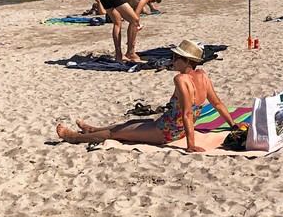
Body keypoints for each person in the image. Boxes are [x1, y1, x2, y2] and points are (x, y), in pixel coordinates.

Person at [56, 40, 237, 153]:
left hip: (167, 131)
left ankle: (74, 138)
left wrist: (191, 144)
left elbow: (187, 113)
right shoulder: (203, 76)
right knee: (127, 124)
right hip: (169, 124)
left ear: (188, 61)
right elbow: (218, 104)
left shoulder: (181, 79)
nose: (172, 60)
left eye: (176, 57)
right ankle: (92, 129)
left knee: (115, 134)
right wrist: (233, 126)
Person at [97, 0, 163, 62]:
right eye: (152, 0)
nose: (150, 2)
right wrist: (136, 26)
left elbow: (125, 6)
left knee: (117, 23)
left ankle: (118, 55)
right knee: (134, 21)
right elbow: (136, 14)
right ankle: (131, 52)